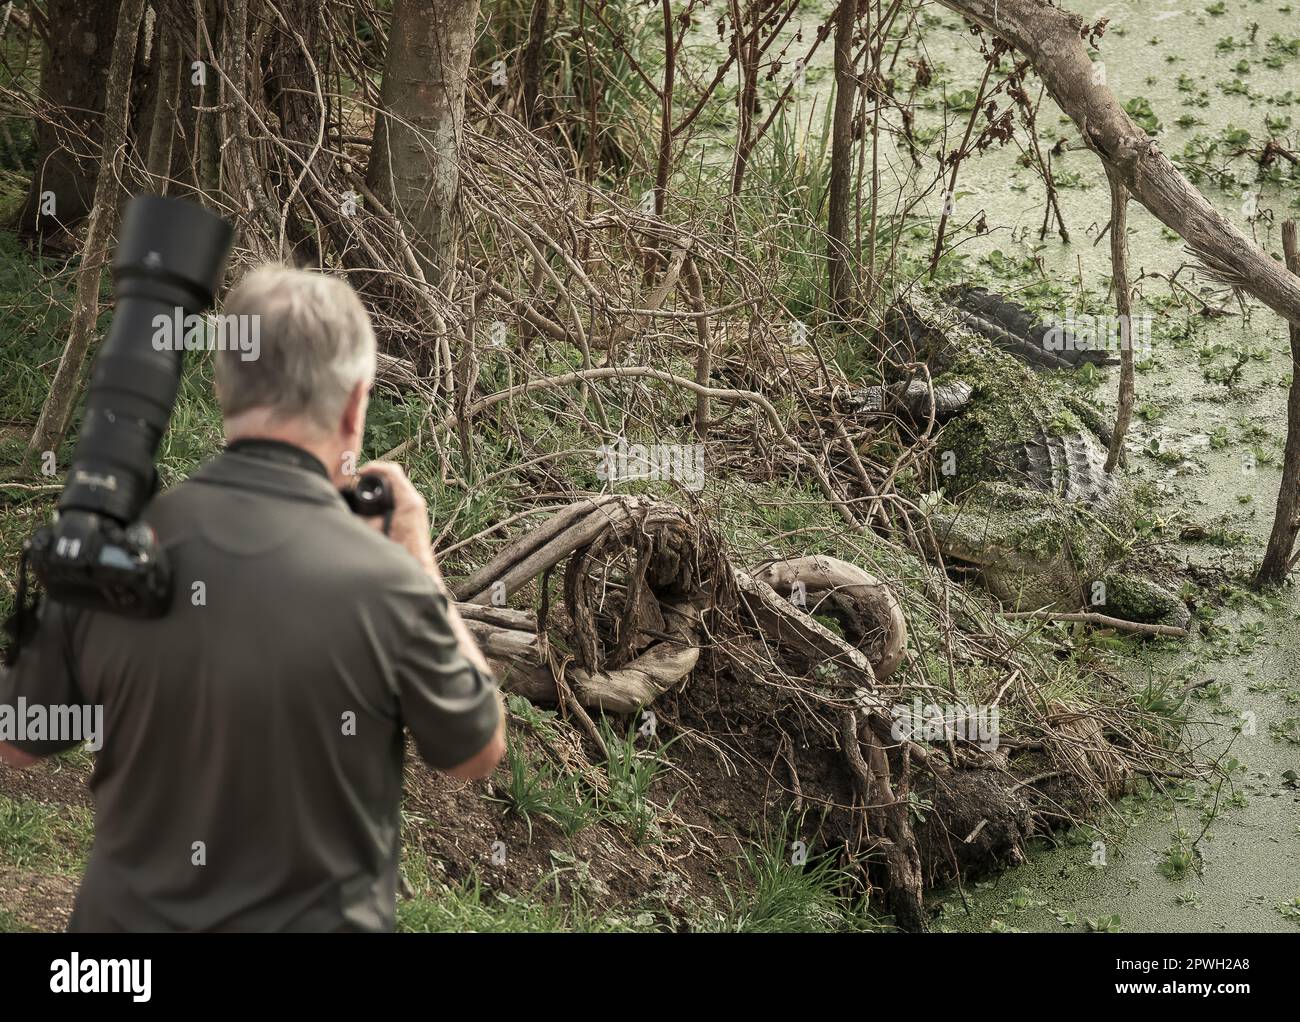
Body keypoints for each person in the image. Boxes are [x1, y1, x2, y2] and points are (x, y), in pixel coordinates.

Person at [0, 265, 505, 932]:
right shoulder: (390, 585)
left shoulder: (114, 552)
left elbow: (18, 741)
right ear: (355, 405)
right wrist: (416, 551)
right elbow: (475, 750)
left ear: (222, 386)